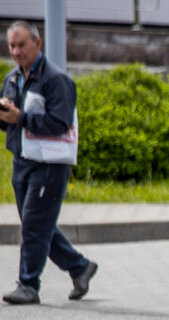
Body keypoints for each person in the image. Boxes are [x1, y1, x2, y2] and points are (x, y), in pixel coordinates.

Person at [0, 20, 96, 305]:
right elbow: (10, 123)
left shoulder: (56, 80)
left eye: (21, 45)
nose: (16, 51)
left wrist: (20, 118)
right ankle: (80, 267)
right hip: (22, 161)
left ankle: (28, 285)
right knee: (37, 224)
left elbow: (60, 123)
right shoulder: (12, 78)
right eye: (12, 46)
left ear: (37, 43)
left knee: (34, 225)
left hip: (50, 165)